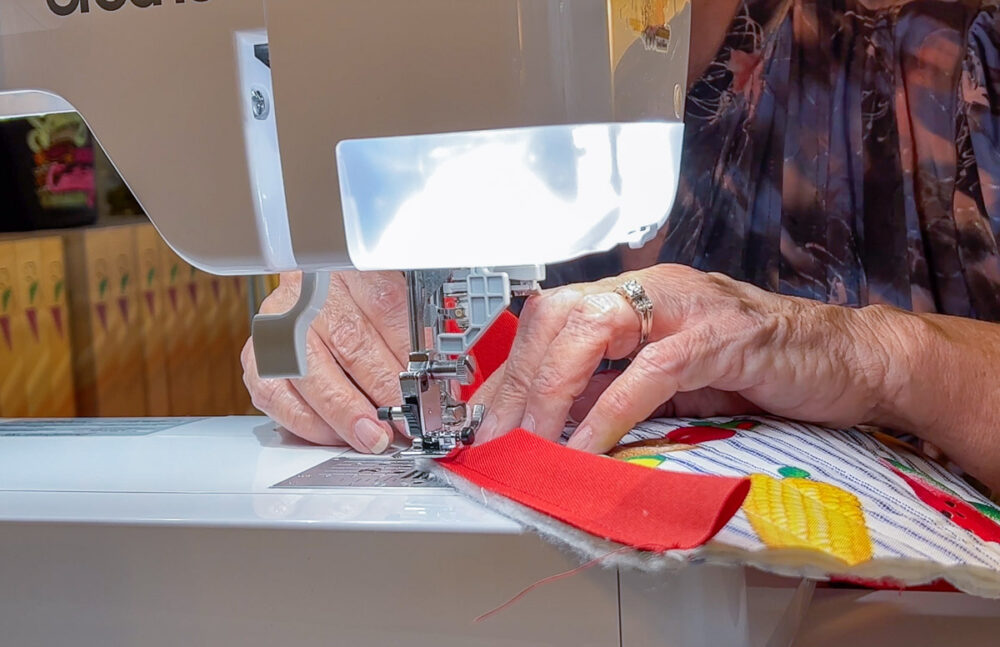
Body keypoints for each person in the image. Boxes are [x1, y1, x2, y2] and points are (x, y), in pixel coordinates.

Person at [241, 0, 1000, 493]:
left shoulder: (948, 56)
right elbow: (335, 289)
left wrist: (875, 354)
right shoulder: (410, 59)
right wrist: (329, 324)